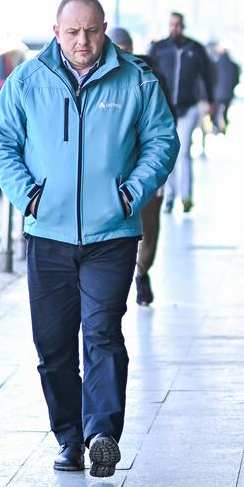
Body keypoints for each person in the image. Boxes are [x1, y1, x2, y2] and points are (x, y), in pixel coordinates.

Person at [0, 0, 178, 477]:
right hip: (47, 234)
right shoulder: (28, 80)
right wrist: (27, 196)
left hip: (111, 234)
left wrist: (131, 194)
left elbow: (162, 140)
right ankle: (69, 437)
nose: (83, 41)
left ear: (105, 28)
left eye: (91, 31)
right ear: (56, 31)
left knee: (102, 333)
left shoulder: (136, 78)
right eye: (72, 32)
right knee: (53, 347)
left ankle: (102, 435)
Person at [109, 27, 171, 307]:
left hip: (146, 174)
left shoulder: (151, 78)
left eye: (125, 47)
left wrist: (156, 175)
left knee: (149, 229)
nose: (121, 53)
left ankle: (142, 273)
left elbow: (165, 132)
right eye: (115, 48)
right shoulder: (99, 79)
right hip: (111, 177)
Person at [148, 12, 216, 214]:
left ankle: (186, 196)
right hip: (165, 110)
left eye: (178, 24)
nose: (174, 28)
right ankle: (168, 197)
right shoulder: (159, 49)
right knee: (167, 153)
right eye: (171, 24)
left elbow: (207, 77)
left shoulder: (195, 49)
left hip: (189, 107)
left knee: (184, 152)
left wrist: (211, 101)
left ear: (183, 25)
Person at [210, 43, 242, 135]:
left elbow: (211, 79)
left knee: (215, 111)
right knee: (225, 111)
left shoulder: (215, 64)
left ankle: (216, 127)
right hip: (228, 93)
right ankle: (224, 127)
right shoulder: (234, 65)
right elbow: (236, 80)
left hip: (216, 92)